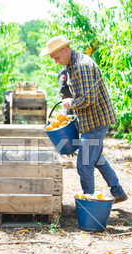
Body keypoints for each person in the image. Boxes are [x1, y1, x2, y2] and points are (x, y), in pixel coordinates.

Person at [40, 36, 127, 204]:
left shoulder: (81, 66)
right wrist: (68, 109)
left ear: (66, 49)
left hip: (96, 120)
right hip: (90, 120)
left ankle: (89, 204)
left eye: (56, 57)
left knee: (84, 163)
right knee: (96, 157)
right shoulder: (72, 66)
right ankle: (117, 191)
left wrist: (71, 103)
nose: (56, 62)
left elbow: (88, 99)